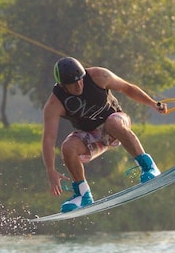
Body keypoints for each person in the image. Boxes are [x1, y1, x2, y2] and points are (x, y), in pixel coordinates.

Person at [42, 57, 167, 212]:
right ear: (62, 85)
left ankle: (149, 167)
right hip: (93, 135)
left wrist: (153, 104)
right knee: (68, 147)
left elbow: (127, 88)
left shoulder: (98, 76)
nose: (79, 85)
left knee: (112, 123)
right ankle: (83, 195)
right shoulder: (55, 103)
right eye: (73, 84)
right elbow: (49, 138)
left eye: (80, 80)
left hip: (117, 122)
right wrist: (50, 170)